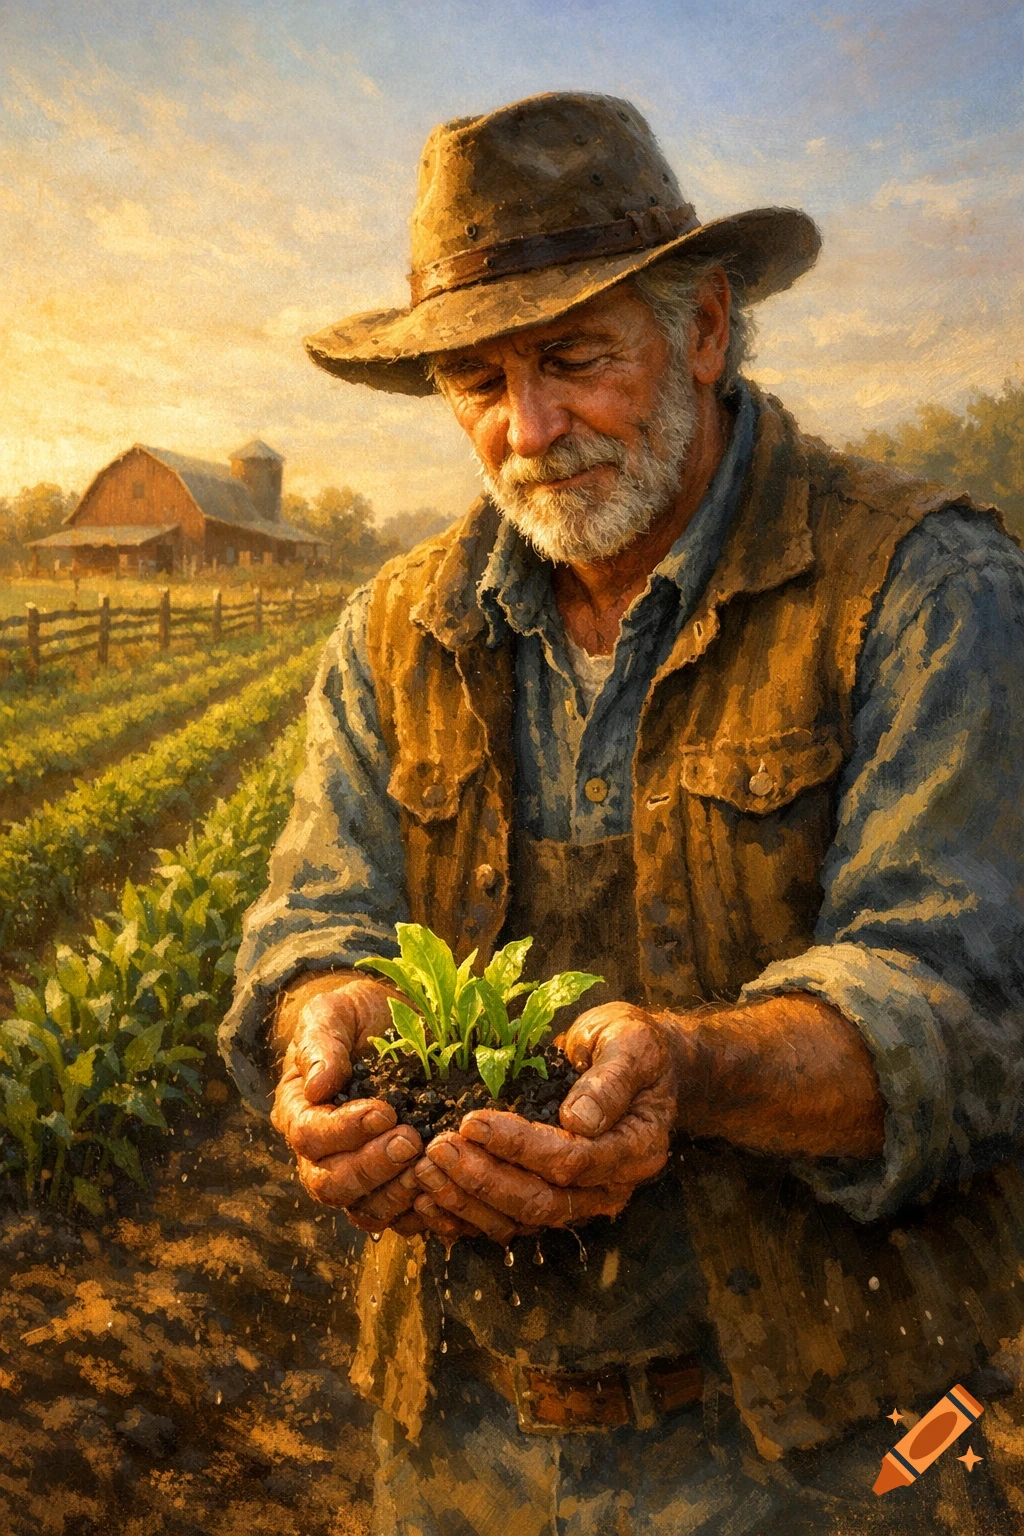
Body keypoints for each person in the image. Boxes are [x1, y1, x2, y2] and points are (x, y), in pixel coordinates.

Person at [221, 92, 1024, 1534]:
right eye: (476, 379)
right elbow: (312, 926)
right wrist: (322, 1023)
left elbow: (964, 1004)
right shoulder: (395, 628)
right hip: (464, 1435)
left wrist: (686, 1070)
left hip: (821, 1441)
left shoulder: (921, 587)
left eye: (573, 360)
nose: (527, 429)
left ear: (705, 330)